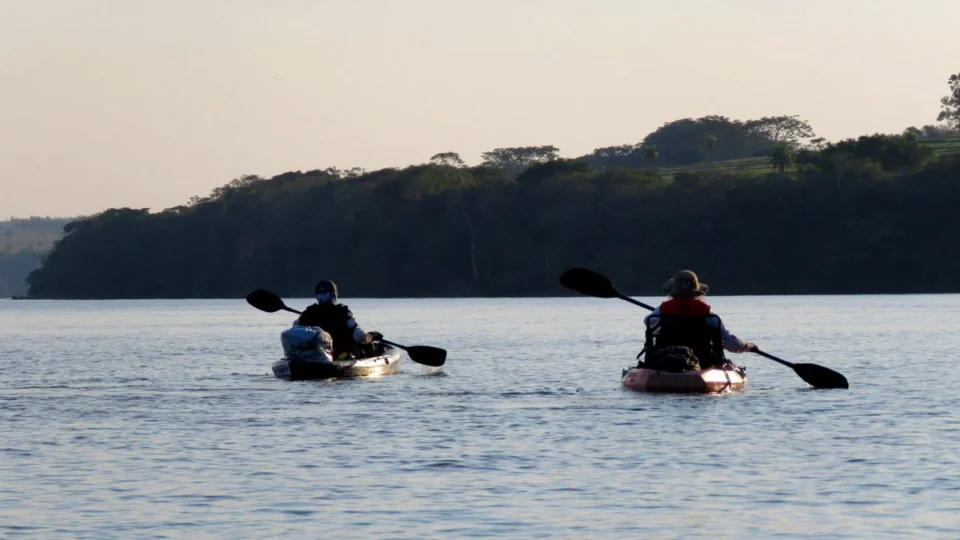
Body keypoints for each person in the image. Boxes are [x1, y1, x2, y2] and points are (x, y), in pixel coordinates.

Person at [642, 270, 757, 370]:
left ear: (673, 291)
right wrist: (748, 346)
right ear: (696, 292)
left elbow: (647, 322)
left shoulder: (661, 311)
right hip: (703, 363)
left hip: (665, 361)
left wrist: (672, 314)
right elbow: (731, 343)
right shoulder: (708, 313)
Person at [296, 280, 383, 359]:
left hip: (311, 356)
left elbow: (295, 333)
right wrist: (372, 335)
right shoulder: (343, 312)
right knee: (367, 344)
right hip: (339, 356)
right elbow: (359, 337)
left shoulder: (308, 313)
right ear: (334, 295)